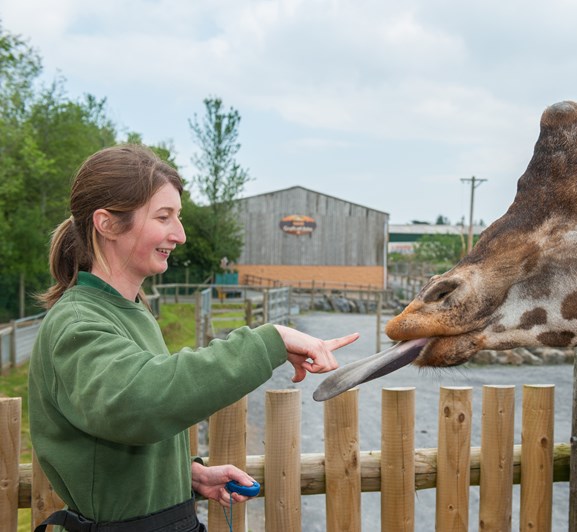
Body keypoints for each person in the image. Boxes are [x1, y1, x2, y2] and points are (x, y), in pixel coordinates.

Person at [29, 144, 358, 531]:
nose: (180, 235)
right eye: (164, 217)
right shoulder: (78, 322)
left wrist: (188, 475)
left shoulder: (129, 310)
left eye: (178, 217)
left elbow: (112, 442)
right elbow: (142, 402)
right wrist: (269, 340)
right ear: (107, 223)